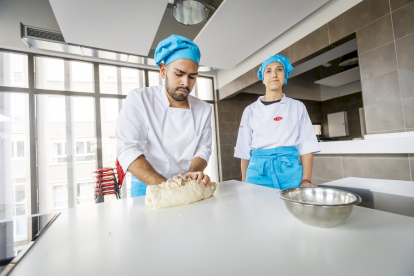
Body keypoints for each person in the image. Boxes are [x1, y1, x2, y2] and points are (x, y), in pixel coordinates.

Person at [116, 34, 213, 197]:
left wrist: (193, 173)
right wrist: (168, 188)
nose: (185, 83)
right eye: (179, 74)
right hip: (147, 184)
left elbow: (203, 149)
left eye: (192, 76)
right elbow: (128, 148)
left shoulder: (203, 108)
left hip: (184, 182)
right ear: (163, 70)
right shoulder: (140, 99)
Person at [234, 55, 320, 190]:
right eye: (268, 71)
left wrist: (306, 179)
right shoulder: (250, 110)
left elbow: (307, 145)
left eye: (279, 70)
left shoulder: (297, 107)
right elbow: (244, 149)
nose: (274, 74)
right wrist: (244, 183)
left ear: (285, 77)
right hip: (257, 172)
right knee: (257, 210)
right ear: (263, 78)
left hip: (290, 173)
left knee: (290, 210)